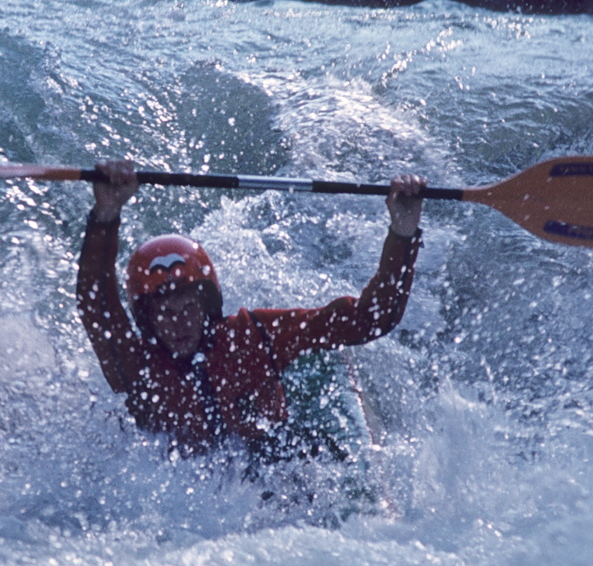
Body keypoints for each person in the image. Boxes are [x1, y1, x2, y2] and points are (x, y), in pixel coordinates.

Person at [77, 159, 424, 456]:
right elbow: (95, 302)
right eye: (165, 313)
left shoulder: (253, 334)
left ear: (207, 305)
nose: (179, 323)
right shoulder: (135, 368)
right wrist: (106, 215)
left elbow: (367, 321)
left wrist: (403, 233)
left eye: (189, 308)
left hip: (271, 465)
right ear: (148, 319)